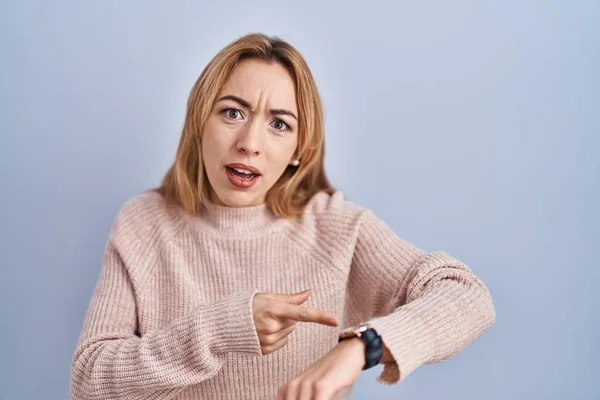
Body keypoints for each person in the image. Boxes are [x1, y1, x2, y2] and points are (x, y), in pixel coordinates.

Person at [70, 33, 496, 400]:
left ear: (298, 152)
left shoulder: (337, 227)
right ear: (201, 121)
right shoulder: (144, 221)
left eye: (279, 124)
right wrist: (221, 329)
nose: (249, 143)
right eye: (232, 112)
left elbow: (466, 296)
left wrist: (361, 346)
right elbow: (89, 380)